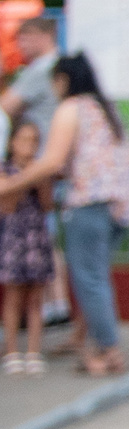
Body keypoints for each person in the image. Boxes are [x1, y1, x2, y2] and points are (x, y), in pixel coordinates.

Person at [8, 51, 129, 375]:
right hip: (121, 205)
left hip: (89, 203)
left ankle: (109, 350)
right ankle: (92, 343)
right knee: (98, 276)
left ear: (63, 80)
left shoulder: (71, 109)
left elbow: (52, 161)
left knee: (89, 278)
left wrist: (11, 185)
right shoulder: (105, 108)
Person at [0, 114, 55, 373]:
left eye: (34, 141)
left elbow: (47, 204)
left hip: (36, 237)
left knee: (35, 298)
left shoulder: (40, 170)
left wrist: (38, 176)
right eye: (23, 139)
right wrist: (27, 176)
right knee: (13, 297)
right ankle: (12, 351)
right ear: (12, 142)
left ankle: (33, 351)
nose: (28, 146)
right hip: (13, 237)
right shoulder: (5, 169)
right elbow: (7, 202)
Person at [1, 12, 62, 133]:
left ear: (45, 36)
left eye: (25, 39)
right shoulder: (60, 62)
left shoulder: (41, 69)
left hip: (42, 138)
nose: (20, 46)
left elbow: (4, 107)